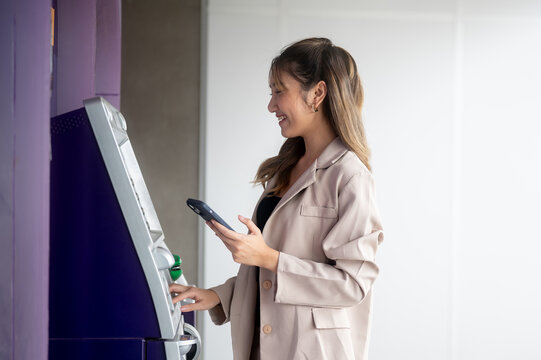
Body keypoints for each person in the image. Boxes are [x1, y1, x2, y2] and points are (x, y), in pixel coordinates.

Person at [170, 37, 384, 360]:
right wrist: (216, 295)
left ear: (318, 94)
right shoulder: (285, 168)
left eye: (279, 91)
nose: (271, 105)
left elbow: (352, 284)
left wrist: (268, 257)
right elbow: (267, 278)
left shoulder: (351, 177)